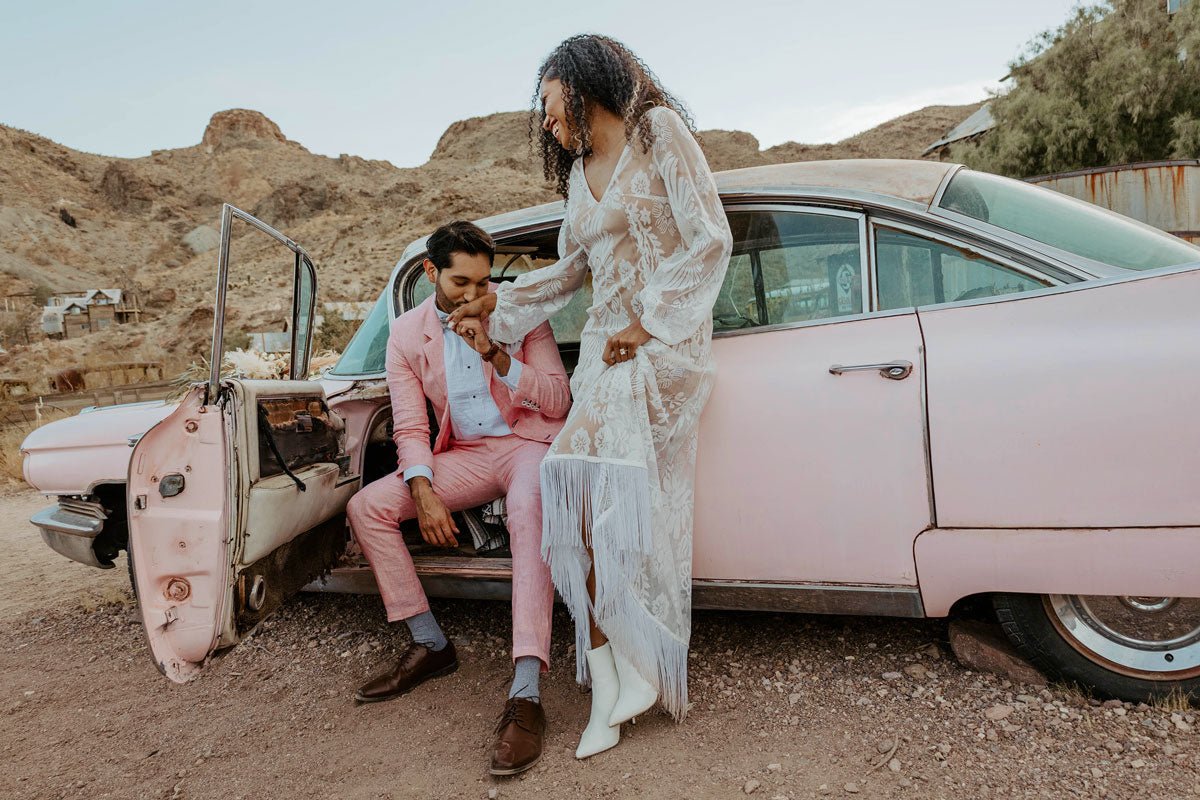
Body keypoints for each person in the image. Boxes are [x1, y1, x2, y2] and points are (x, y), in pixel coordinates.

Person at [449, 34, 732, 758]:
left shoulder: (657, 132)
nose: (545, 122)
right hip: (607, 356)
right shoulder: (578, 177)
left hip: (661, 350)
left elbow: (709, 239)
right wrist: (496, 308)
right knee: (572, 508)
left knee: (584, 498)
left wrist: (648, 324)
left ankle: (638, 664)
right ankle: (611, 680)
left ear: (583, 88)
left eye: (549, 105)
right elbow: (571, 271)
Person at [346, 220, 570, 776]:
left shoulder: (520, 313)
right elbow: (408, 427)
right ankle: (430, 643)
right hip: (465, 454)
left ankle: (526, 693)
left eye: (483, 282)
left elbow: (559, 401)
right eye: (461, 283)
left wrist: (497, 353)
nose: (475, 296)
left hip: (525, 445)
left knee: (528, 510)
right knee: (366, 507)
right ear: (431, 273)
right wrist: (422, 491)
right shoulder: (405, 335)